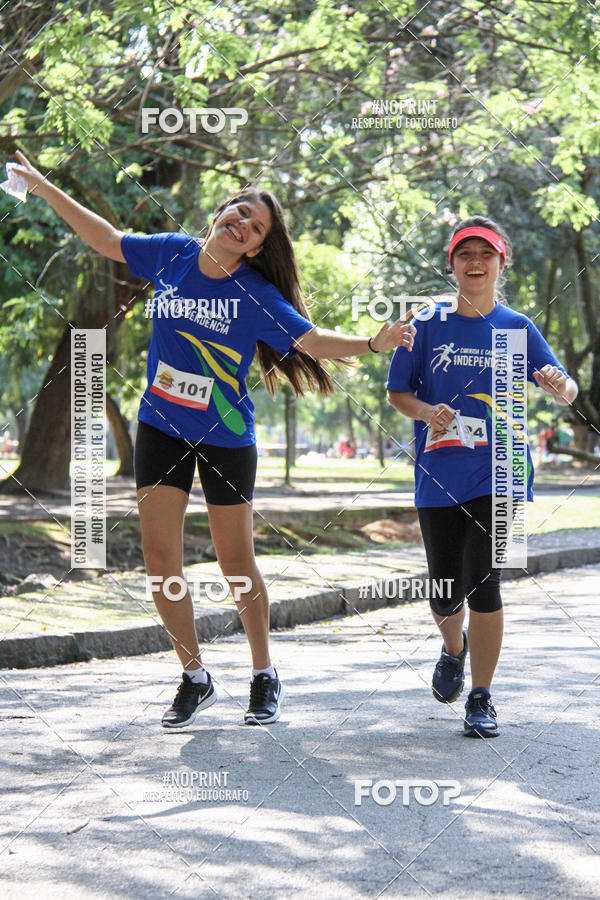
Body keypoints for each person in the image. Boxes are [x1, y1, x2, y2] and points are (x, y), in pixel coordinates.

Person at [12, 150, 416, 728]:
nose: (243, 224)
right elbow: (104, 238)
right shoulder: (172, 254)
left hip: (227, 435)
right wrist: (44, 186)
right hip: (160, 427)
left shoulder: (255, 293)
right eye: (240, 211)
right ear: (221, 212)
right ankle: (194, 676)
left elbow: (310, 340)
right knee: (159, 560)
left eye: (256, 228)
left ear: (256, 248)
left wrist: (373, 344)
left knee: (235, 561)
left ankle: (263, 673)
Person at [387, 215, 578, 738]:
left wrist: (561, 384)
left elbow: (566, 389)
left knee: (485, 584)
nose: (476, 263)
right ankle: (454, 648)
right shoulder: (426, 322)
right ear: (452, 264)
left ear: (501, 262)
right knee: (446, 589)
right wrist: (427, 413)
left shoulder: (517, 327)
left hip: (502, 472)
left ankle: (482, 695)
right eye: (465, 254)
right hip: (439, 473)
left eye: (486, 254)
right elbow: (396, 393)